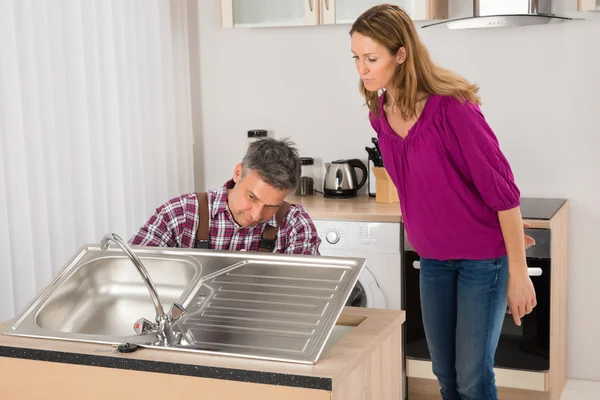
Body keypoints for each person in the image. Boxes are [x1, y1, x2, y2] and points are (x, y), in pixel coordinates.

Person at [350, 5, 536, 400]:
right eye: (356, 58)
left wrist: (516, 267)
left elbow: (501, 189)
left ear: (401, 54)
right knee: (445, 375)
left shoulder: (452, 107)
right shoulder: (379, 114)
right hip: (433, 259)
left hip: (482, 261)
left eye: (371, 58)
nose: (362, 69)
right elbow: (422, 187)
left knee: (472, 378)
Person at [129, 137, 321, 255]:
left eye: (271, 206)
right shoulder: (179, 214)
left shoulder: (296, 224)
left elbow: (307, 294)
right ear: (238, 173)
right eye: (252, 197)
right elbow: (134, 270)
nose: (255, 215)